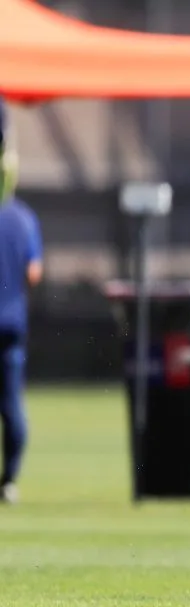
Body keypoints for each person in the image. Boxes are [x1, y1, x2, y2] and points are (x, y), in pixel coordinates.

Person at [0, 142, 43, 504]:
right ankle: (9, 479)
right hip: (11, 325)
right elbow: (34, 273)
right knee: (11, 404)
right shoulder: (24, 218)